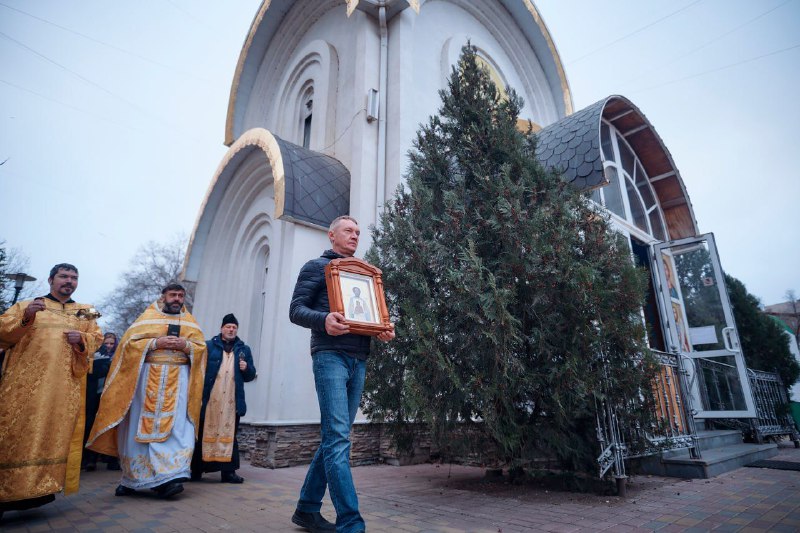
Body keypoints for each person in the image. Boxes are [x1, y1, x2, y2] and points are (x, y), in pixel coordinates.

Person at [289, 215, 395, 533]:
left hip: (358, 359)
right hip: (330, 357)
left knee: (335, 439)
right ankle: (351, 523)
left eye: (358, 233)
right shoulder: (315, 267)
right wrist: (324, 320)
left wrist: (381, 330)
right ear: (331, 235)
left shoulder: (363, 275)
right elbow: (295, 309)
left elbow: (370, 317)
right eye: (349, 231)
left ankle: (307, 509)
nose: (355, 236)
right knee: (338, 440)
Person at [86, 283, 207, 499]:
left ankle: (169, 477)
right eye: (173, 295)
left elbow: (200, 349)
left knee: (178, 426)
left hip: (178, 381)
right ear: (163, 297)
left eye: (180, 295)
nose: (177, 299)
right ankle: (132, 479)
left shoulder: (190, 322)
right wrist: (154, 343)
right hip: (145, 381)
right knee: (136, 429)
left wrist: (186, 346)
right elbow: (127, 346)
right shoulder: (147, 318)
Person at [0, 263, 103, 516]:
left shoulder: (86, 312)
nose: (69, 281)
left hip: (63, 389)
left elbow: (97, 339)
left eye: (74, 277)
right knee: (15, 435)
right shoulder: (27, 305)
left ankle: (38, 492)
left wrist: (83, 340)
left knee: (51, 436)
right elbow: (3, 334)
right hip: (23, 388)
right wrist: (26, 319)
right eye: (63, 276)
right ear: (50, 280)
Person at [190, 313, 257, 483]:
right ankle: (195, 470)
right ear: (222, 328)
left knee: (230, 435)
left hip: (231, 401)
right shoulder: (209, 346)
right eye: (228, 327)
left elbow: (250, 376)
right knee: (202, 433)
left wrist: (246, 368)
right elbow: (198, 370)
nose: (231, 330)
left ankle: (228, 473)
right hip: (211, 399)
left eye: (234, 327)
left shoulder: (243, 349)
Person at [82, 332, 119, 472]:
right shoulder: (95, 356)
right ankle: (89, 459)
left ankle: (111, 459)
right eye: (106, 343)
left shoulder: (117, 356)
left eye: (111, 343)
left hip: (111, 396)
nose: (109, 346)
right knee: (91, 425)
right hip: (95, 394)